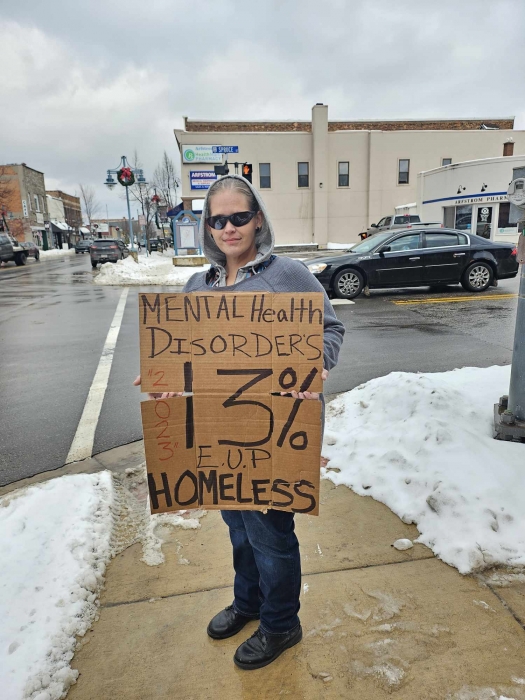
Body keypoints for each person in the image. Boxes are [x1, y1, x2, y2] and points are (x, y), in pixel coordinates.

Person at [134, 174, 345, 670]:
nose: (228, 228)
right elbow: (183, 355)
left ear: (258, 220)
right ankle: (247, 603)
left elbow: (330, 328)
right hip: (215, 436)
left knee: (271, 533)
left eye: (238, 217)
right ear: (207, 227)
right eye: (217, 220)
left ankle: (280, 623)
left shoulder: (288, 274)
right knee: (237, 527)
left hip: (271, 433)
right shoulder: (196, 284)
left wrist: (312, 367)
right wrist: (166, 380)